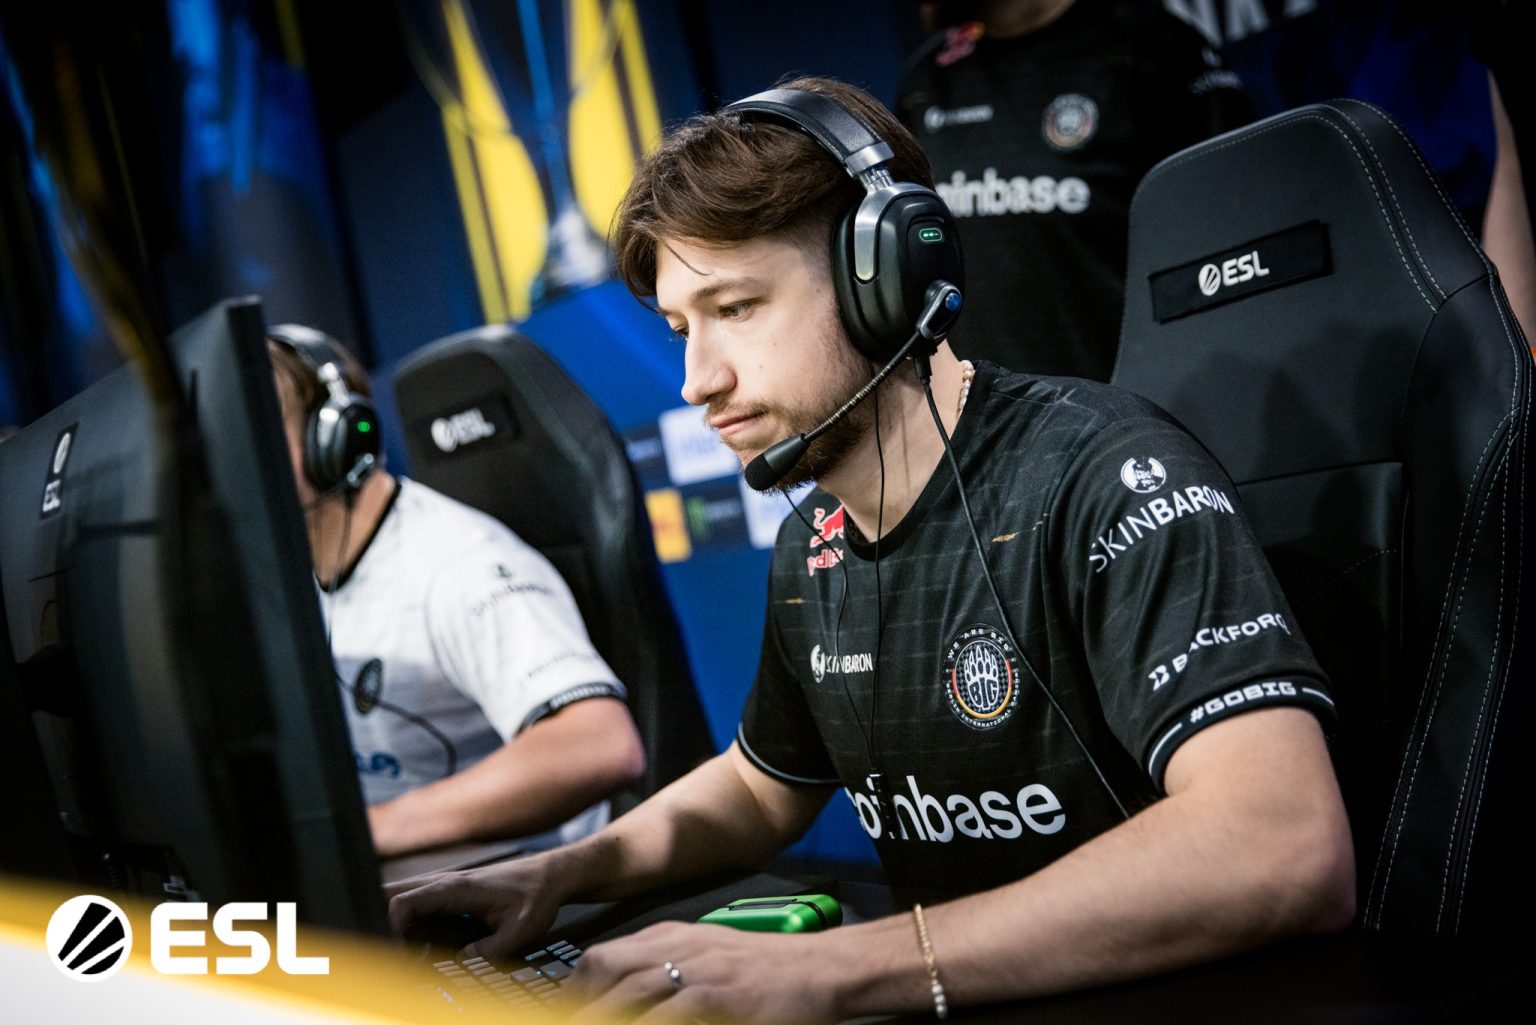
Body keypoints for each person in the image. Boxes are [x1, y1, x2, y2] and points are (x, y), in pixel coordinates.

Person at [387, 77, 1353, 1021]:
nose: (696, 379)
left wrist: (838, 970)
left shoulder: (1105, 476)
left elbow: (1281, 842)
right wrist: (559, 874)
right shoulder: (814, 543)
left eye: (736, 309)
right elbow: (760, 790)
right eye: (682, 329)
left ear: (885, 280)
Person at [267, 326, 645, 859]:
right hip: (400, 879)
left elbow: (599, 746)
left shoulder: (459, 565)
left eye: (256, 431)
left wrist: (368, 833)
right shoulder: (291, 578)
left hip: (525, 879)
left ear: (335, 439)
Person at [896, 0, 1253, 380]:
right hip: (980, 410)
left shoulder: (1153, 49)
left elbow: (1238, 249)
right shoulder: (926, 80)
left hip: (1131, 402)